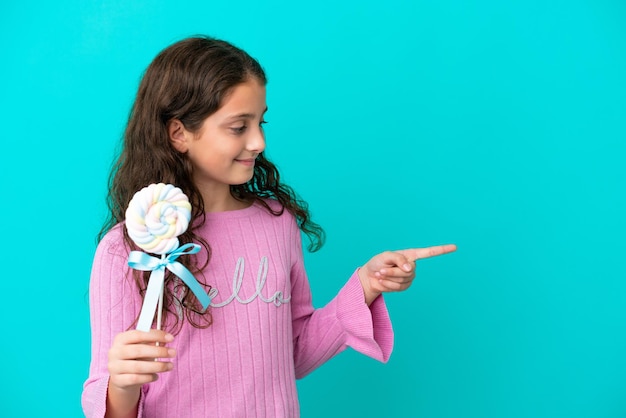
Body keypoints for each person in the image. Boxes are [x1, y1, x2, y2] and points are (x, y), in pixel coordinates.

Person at [82, 36, 456, 418]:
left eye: (260, 122)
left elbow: (292, 354)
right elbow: (104, 398)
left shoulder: (277, 225)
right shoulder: (125, 251)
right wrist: (123, 383)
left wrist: (367, 285)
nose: (258, 141)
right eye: (238, 127)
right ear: (179, 133)